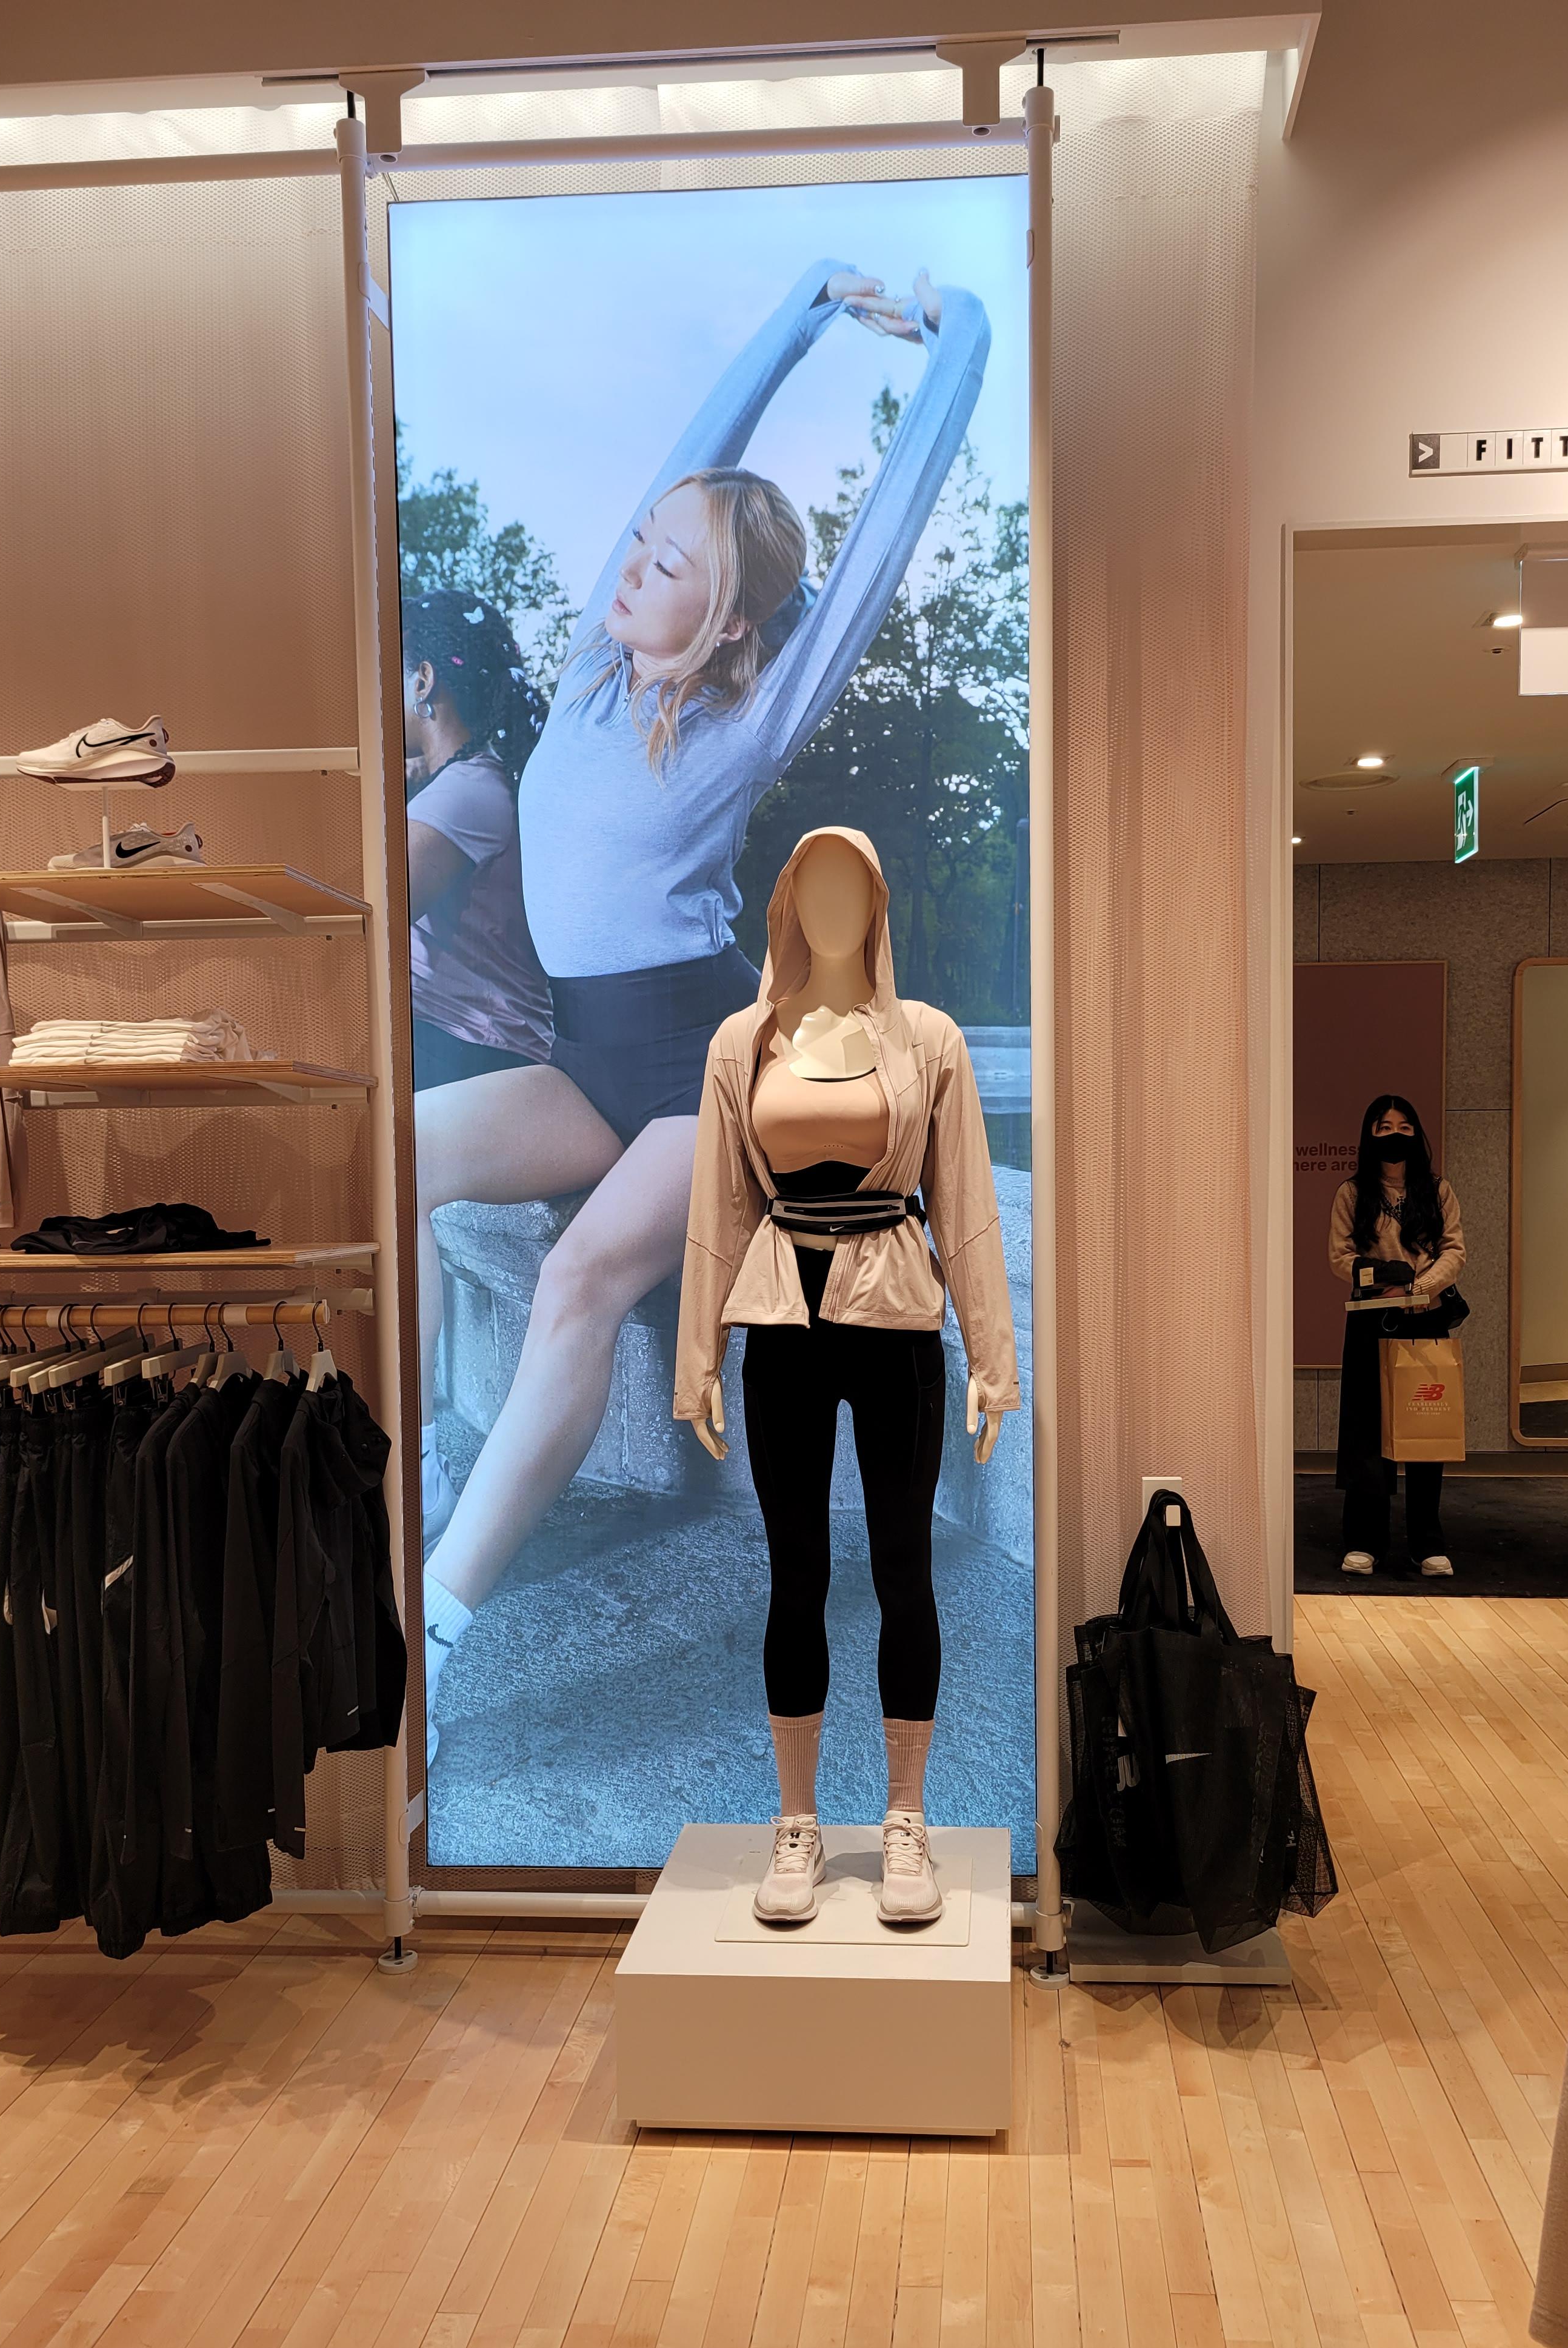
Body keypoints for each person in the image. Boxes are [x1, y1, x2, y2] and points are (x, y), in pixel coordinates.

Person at [419, 260, 993, 1759]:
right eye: (639, 543)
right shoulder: (588, 681)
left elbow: (877, 551)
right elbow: (692, 460)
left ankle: (436, 1630)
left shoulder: (749, 717)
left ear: (731, 620)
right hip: (588, 1062)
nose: (633, 565)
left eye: (669, 562)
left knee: (577, 1285)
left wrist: (963, 338)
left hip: (711, 1075)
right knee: (392, 1152)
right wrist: (803, 310)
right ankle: (396, 1472)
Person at [400, 591, 559, 1543]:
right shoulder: (454, 784)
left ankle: (419, 1458)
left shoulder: (470, 793)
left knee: (388, 1160)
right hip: (451, 1043)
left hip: (486, 1051)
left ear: (424, 681)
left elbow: (370, 913)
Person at [1327, 1094, 1466, 1577]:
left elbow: (1455, 1251)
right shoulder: (1352, 1193)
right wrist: (1379, 1277)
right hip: (1371, 1322)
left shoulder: (1438, 1190)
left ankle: (1427, 1543)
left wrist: (1419, 1287)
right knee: (1367, 1432)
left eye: (1404, 1127)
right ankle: (1364, 1541)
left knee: (1427, 1429)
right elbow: (1340, 1257)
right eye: (1384, 1127)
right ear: (1370, 1134)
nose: (1395, 1135)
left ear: (1417, 1133)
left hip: (1427, 1320)